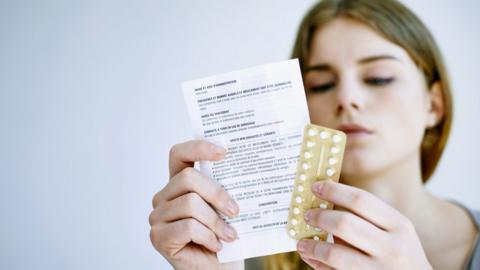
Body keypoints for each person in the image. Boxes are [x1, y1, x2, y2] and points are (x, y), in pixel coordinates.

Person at [149, 0, 479, 269]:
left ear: (434, 105)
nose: (346, 98)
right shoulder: (250, 259)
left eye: (378, 78)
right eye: (321, 84)